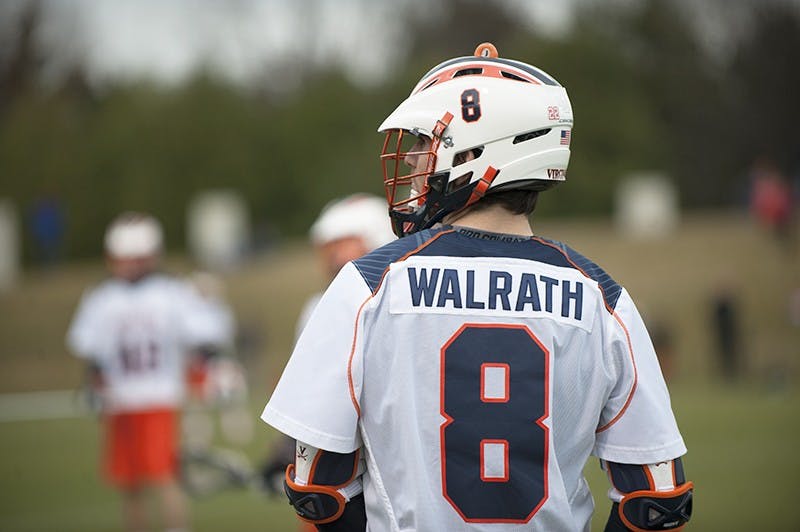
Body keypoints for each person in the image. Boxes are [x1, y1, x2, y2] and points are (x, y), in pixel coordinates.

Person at [261, 43, 693, 531]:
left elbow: (318, 490)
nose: (414, 163)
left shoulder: (368, 286)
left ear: (473, 154)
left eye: (427, 143)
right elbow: (657, 499)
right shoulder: (602, 300)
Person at [66, 212, 234, 532]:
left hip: (158, 397)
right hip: (120, 401)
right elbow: (93, 353)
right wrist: (95, 381)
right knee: (129, 485)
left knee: (163, 476)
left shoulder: (167, 292)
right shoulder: (106, 297)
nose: (128, 265)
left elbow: (205, 336)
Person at [260, 194, 394, 495]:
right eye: (328, 248)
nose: (333, 257)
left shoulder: (396, 302)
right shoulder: (320, 305)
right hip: (345, 463)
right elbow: (310, 393)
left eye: (342, 244)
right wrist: (287, 447)